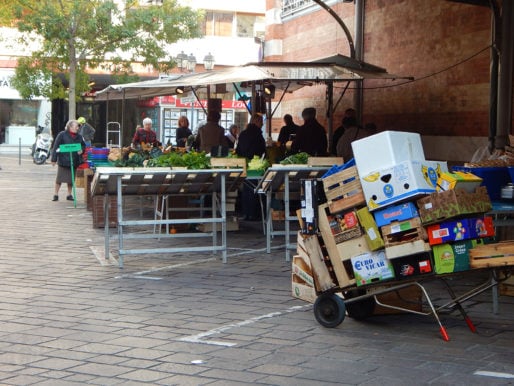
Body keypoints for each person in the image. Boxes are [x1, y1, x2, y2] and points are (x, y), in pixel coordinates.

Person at [236, 113, 267, 221]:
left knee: (246, 189)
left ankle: (246, 213)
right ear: (257, 122)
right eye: (261, 122)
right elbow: (263, 150)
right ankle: (255, 213)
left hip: (245, 165)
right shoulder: (258, 134)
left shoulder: (243, 133)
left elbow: (238, 150)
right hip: (256, 166)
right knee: (256, 189)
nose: (262, 124)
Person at [50, 119, 86, 201]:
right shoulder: (62, 135)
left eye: (78, 127)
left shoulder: (79, 137)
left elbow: (83, 146)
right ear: (70, 127)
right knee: (59, 178)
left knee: (71, 179)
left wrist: (82, 150)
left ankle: (69, 194)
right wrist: (54, 159)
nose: (77, 128)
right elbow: (56, 146)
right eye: (76, 126)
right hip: (63, 160)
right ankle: (55, 194)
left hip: (74, 160)